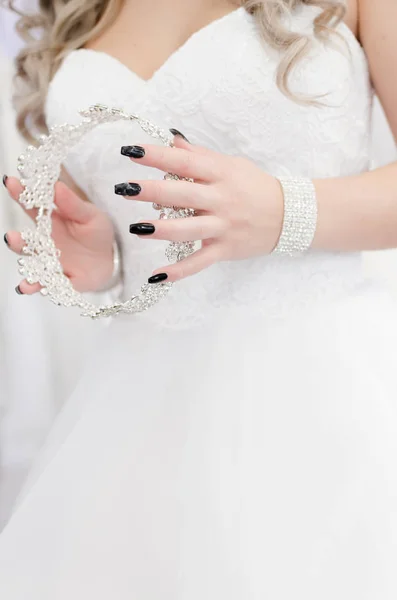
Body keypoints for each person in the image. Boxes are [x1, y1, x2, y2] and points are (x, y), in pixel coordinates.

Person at [1, 0, 397, 597]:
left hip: (326, 392)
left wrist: (284, 211)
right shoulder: (78, 9)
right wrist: (106, 255)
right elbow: (146, 225)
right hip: (137, 413)